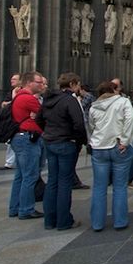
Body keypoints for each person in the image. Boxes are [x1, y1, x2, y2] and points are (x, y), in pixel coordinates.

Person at [40, 72, 88, 231]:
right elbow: (79, 124)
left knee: (52, 180)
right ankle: (63, 221)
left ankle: (49, 220)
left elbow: (38, 120)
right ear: (73, 84)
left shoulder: (48, 99)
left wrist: (49, 133)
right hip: (66, 143)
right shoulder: (70, 100)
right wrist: (79, 141)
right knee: (65, 182)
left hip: (50, 142)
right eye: (78, 84)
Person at [87, 80, 133, 231]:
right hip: (117, 146)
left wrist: (94, 140)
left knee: (99, 187)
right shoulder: (123, 102)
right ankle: (120, 222)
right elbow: (130, 119)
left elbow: (91, 125)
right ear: (114, 90)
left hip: (99, 147)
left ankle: (97, 223)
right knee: (120, 186)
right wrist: (125, 140)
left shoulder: (94, 107)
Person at [8, 71, 48, 220]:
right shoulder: (28, 98)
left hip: (19, 138)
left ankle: (15, 207)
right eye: (39, 82)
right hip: (27, 140)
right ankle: (26, 209)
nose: (42, 85)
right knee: (30, 176)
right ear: (29, 83)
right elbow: (46, 114)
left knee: (20, 176)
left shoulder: (19, 96)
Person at [0, 73, 20, 170]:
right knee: (10, 141)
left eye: (14, 79)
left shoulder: (22, 91)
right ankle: (10, 162)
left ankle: (11, 162)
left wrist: (10, 103)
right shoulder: (12, 91)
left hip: (19, 120)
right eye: (12, 79)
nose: (12, 81)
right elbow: (4, 104)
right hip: (10, 119)